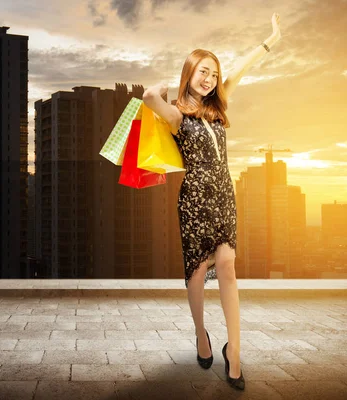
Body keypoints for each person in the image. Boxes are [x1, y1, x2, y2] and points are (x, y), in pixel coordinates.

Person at [142, 13, 282, 391]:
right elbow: (149, 97)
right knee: (198, 273)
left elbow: (241, 69)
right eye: (203, 71)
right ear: (190, 72)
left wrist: (270, 39)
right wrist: (167, 85)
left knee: (229, 268)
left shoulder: (218, 107)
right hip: (195, 200)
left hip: (224, 197)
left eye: (214, 74)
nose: (210, 79)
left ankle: (233, 352)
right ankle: (201, 335)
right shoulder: (176, 115)